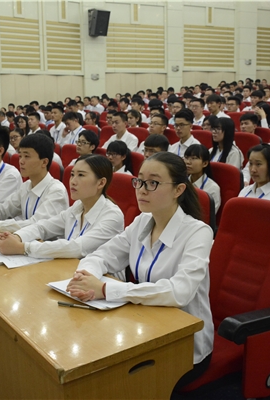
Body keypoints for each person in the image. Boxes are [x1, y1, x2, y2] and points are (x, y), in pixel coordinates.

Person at [66, 151, 214, 389]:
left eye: (153, 183)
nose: (142, 190)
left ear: (178, 190)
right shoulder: (142, 222)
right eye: (140, 181)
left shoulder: (198, 233)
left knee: (108, 377)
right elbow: (101, 255)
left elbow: (180, 292)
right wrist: (85, 277)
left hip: (184, 341)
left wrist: (106, 289)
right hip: (142, 323)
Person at [0, 154, 124, 259]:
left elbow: (77, 248)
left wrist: (22, 248)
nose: (73, 181)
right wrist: (17, 237)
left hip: (102, 278)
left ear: (101, 183)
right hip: (73, 270)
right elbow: (43, 227)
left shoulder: (112, 215)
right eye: (72, 174)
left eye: (81, 175)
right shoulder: (78, 207)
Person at [184, 144, 221, 213]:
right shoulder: (181, 182)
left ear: (205, 163)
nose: (188, 162)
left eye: (193, 158)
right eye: (186, 157)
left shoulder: (212, 188)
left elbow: (209, 215)